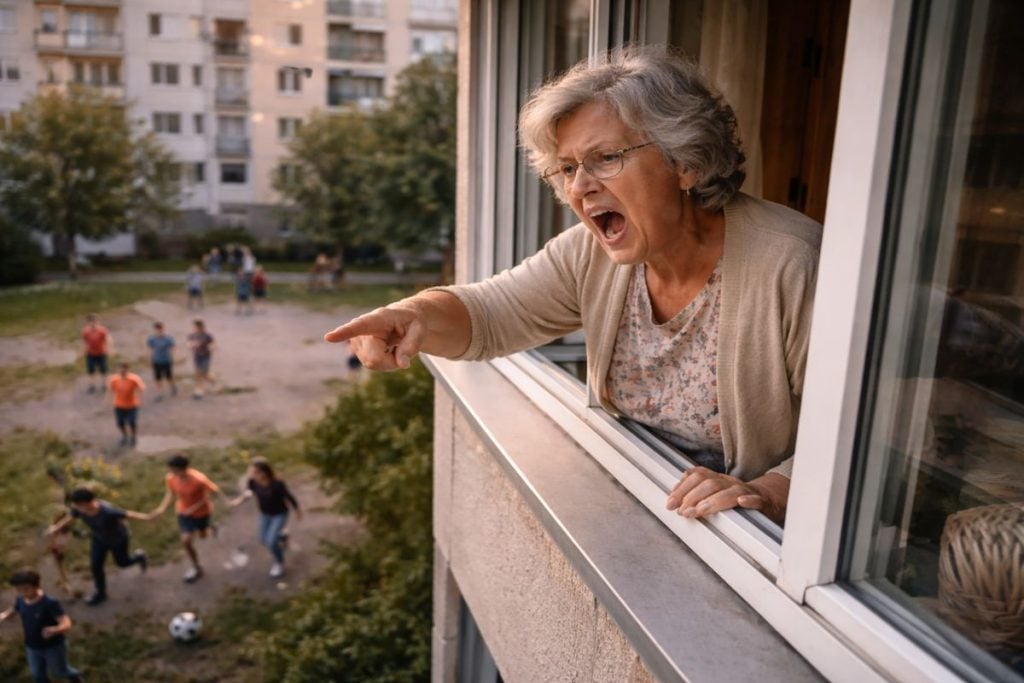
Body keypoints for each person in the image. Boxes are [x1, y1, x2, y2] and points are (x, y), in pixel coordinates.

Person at [324, 46, 821, 524]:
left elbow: (865, 439)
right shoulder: (592, 253)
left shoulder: (792, 264)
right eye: (567, 169)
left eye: (605, 158)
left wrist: (768, 493)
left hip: (753, 547)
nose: (579, 187)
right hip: (649, 506)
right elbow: (490, 315)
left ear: (685, 163)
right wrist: (414, 315)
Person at [46, 489, 148, 606]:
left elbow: (129, 514)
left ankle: (139, 556)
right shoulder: (79, 509)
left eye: (78, 505)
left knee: (122, 563)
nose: (76, 507)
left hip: (118, 540)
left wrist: (149, 517)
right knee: (96, 566)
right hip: (99, 540)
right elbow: (71, 517)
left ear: (88, 503)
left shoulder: (107, 511)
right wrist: (57, 528)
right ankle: (100, 593)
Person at [149, 454, 231, 583]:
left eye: (173, 470)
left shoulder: (198, 480)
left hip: (202, 513)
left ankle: (209, 527)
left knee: (203, 535)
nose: (170, 472)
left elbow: (213, 493)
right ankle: (196, 568)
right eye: (170, 469)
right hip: (183, 513)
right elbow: (170, 493)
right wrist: (161, 509)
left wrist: (195, 508)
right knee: (186, 540)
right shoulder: (171, 478)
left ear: (183, 469)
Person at [0, 569, 83, 683]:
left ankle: (75, 676)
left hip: (53, 646)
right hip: (32, 646)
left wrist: (56, 629)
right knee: (37, 674)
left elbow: (66, 623)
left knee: (58, 671)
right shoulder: (21, 599)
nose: (23, 593)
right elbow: (16, 608)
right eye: (18, 590)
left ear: (36, 586)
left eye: (26, 589)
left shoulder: (49, 603)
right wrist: (5, 615)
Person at [230, 457, 302, 578]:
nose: (252, 475)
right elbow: (249, 493)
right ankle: (282, 535)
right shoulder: (253, 482)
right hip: (265, 514)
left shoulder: (277, 484)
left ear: (264, 473)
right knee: (263, 539)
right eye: (251, 472)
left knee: (271, 542)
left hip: (279, 514)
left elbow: (289, 497)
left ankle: (279, 563)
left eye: (254, 472)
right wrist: (238, 501)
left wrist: (297, 510)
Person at [109, 361, 144, 447]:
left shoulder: (134, 379)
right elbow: (111, 390)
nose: (122, 371)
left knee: (132, 422)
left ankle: (133, 436)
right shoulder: (114, 379)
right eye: (120, 369)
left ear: (127, 369)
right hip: (119, 405)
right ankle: (125, 435)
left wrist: (138, 399)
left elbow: (141, 388)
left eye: (123, 369)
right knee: (120, 423)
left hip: (132, 405)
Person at [81, 313, 111, 394]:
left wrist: (108, 349)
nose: (93, 324)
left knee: (103, 370)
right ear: (88, 323)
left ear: (98, 322)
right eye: (91, 322)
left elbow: (107, 339)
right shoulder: (85, 331)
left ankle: (105, 384)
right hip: (90, 354)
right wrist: (84, 350)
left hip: (101, 353)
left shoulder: (103, 330)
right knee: (91, 370)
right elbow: (85, 341)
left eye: (95, 322)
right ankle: (92, 385)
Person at [147, 321, 177, 400]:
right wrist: (151, 359)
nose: (159, 330)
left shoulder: (168, 338)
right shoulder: (152, 339)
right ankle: (160, 393)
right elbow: (151, 349)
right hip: (157, 361)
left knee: (169, 376)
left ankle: (173, 387)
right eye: (157, 328)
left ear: (163, 328)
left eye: (160, 328)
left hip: (166, 360)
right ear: (155, 329)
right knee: (158, 378)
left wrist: (172, 357)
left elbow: (172, 348)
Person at [187, 318, 215, 399]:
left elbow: (213, 344)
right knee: (198, 373)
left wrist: (212, 347)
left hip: (206, 356)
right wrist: (192, 345)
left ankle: (210, 380)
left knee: (203, 373)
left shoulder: (207, 335)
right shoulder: (192, 335)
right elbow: (188, 344)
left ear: (203, 326)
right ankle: (198, 391)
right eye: (197, 326)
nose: (198, 328)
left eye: (200, 326)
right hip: (197, 357)